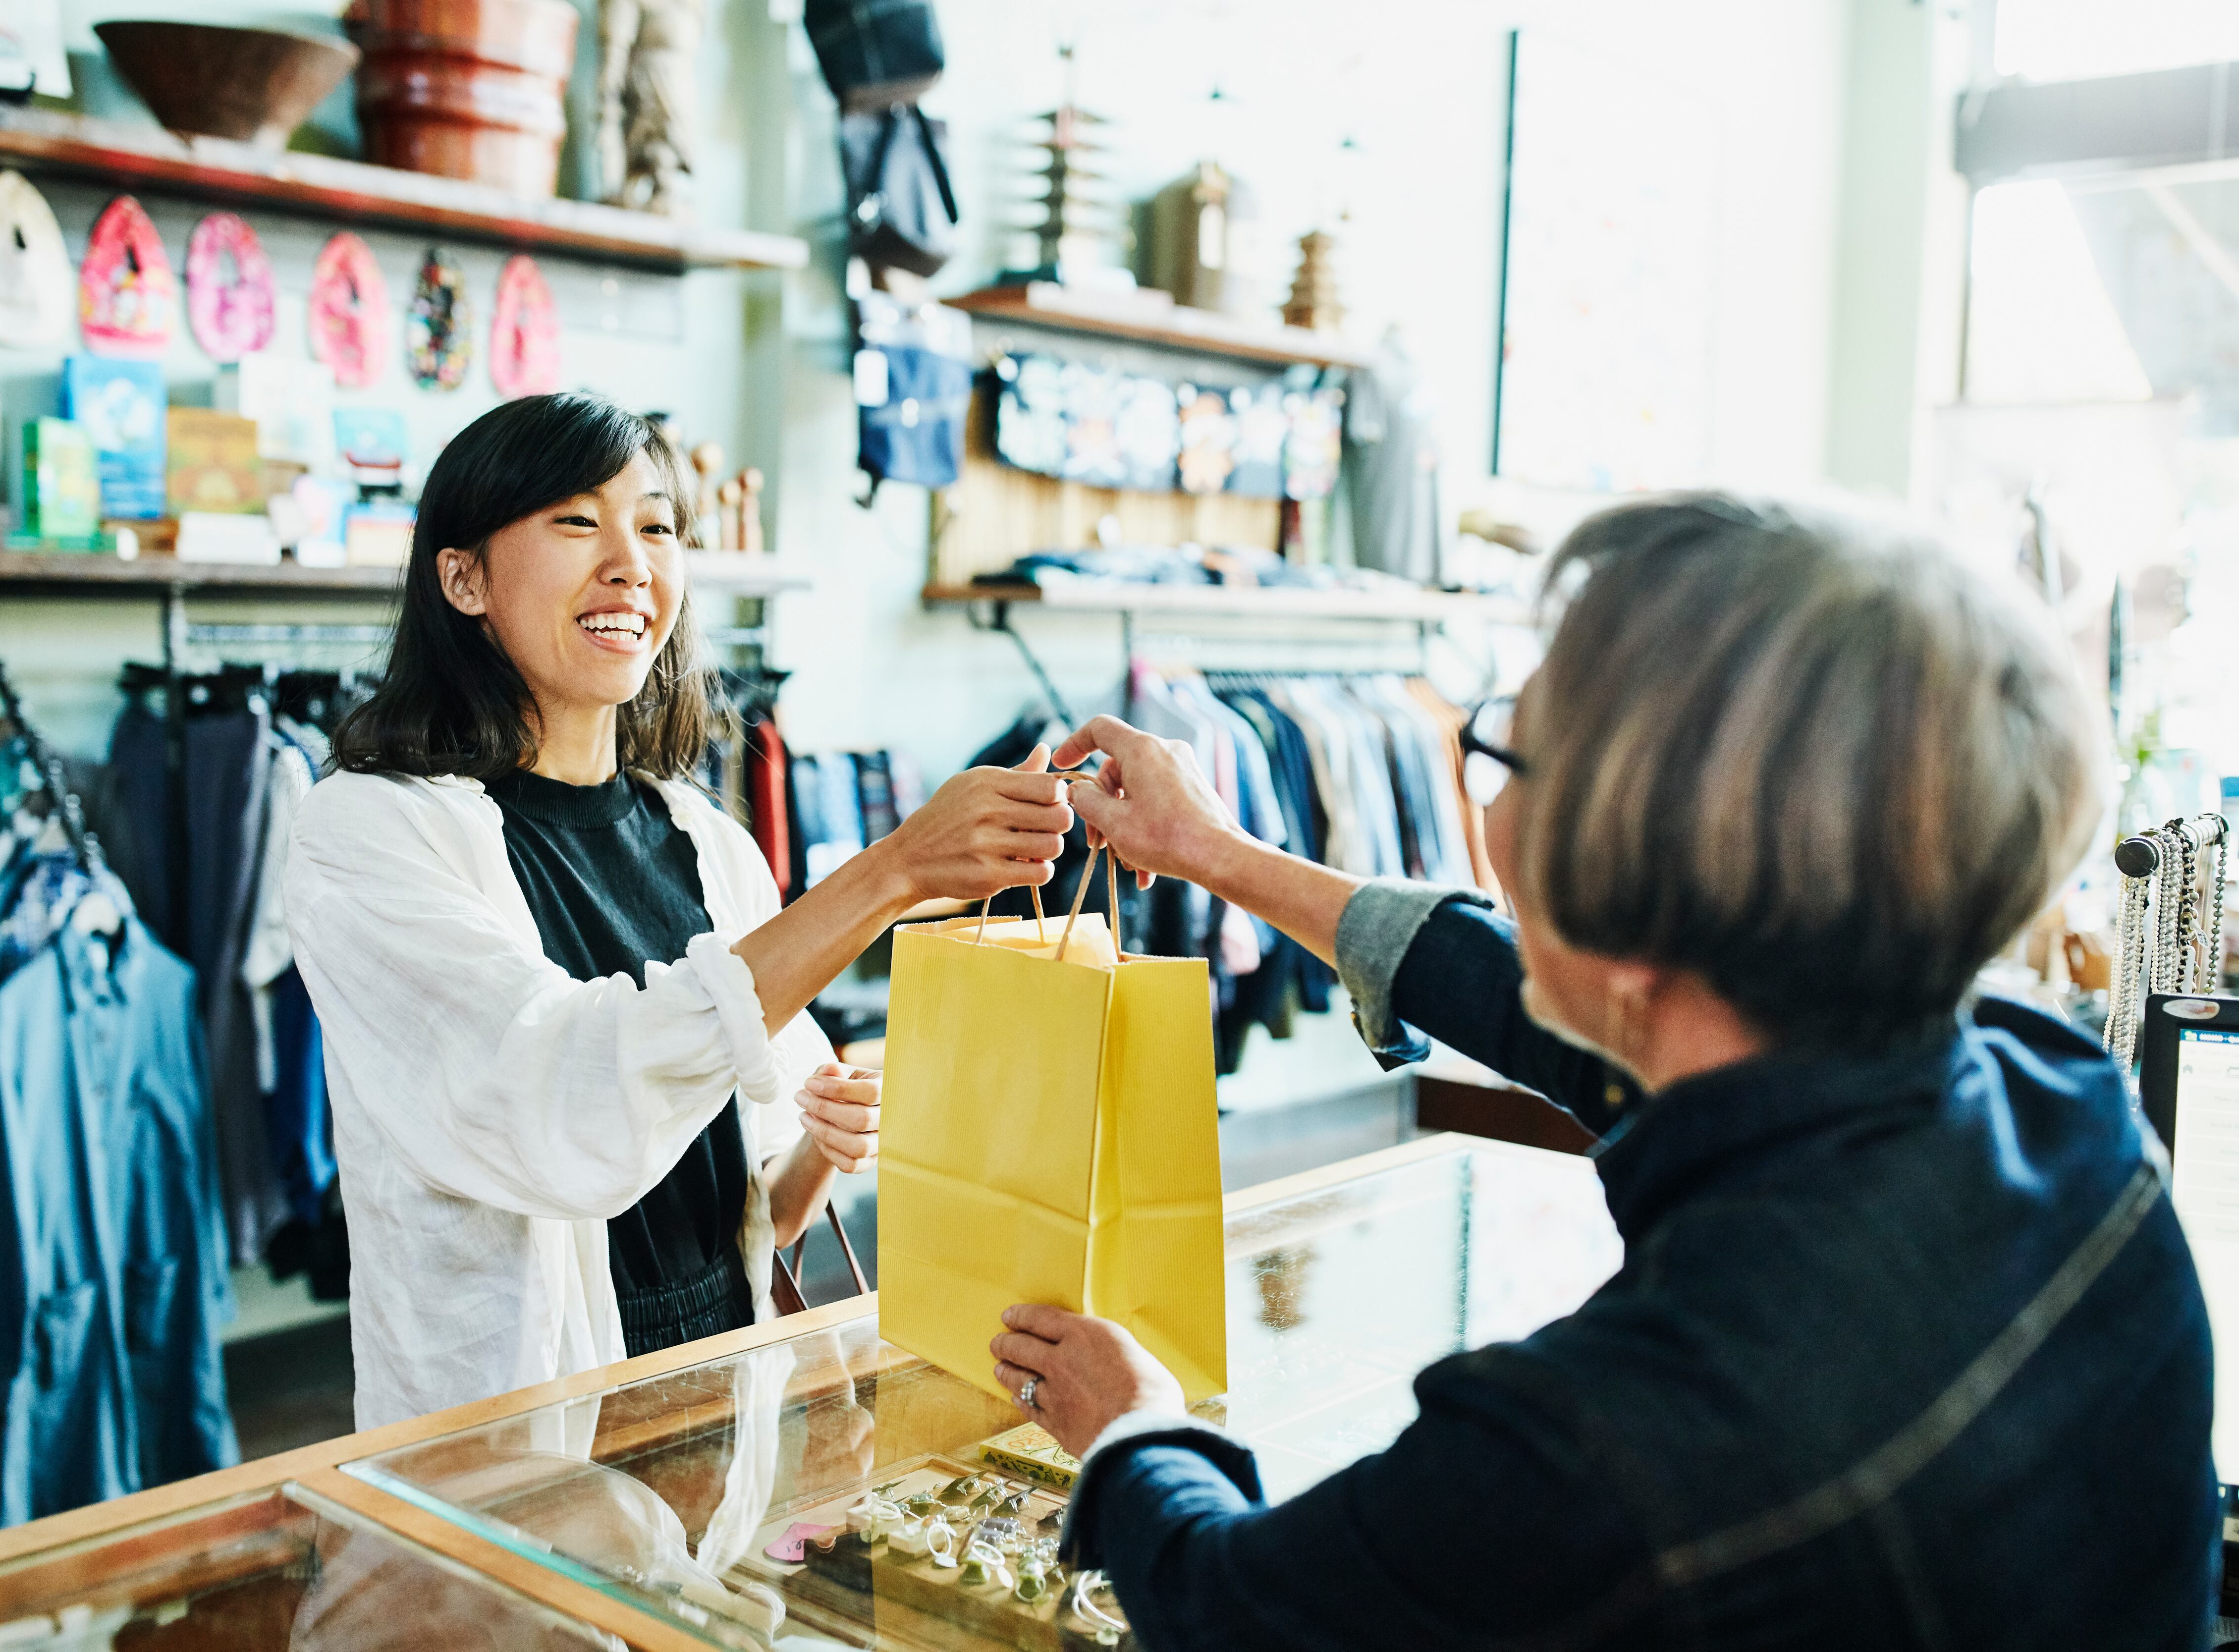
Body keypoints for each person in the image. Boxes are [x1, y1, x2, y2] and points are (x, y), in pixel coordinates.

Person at [988, 496, 2217, 1644]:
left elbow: (1236, 1607)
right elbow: (1537, 1006)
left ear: (1632, 912)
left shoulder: (1606, 1440)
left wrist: (1133, 1435)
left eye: (1515, 753)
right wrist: (1216, 852)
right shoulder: (2062, 1096)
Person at [287, 392, 1071, 1428]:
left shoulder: (709, 844)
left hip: (717, 1415)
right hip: (513, 1442)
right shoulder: (367, 832)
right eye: (576, 521)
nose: (630, 563)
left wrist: (822, 1149)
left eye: (656, 525)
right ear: (462, 576)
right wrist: (892, 872)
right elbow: (554, 1100)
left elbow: (756, 1220)